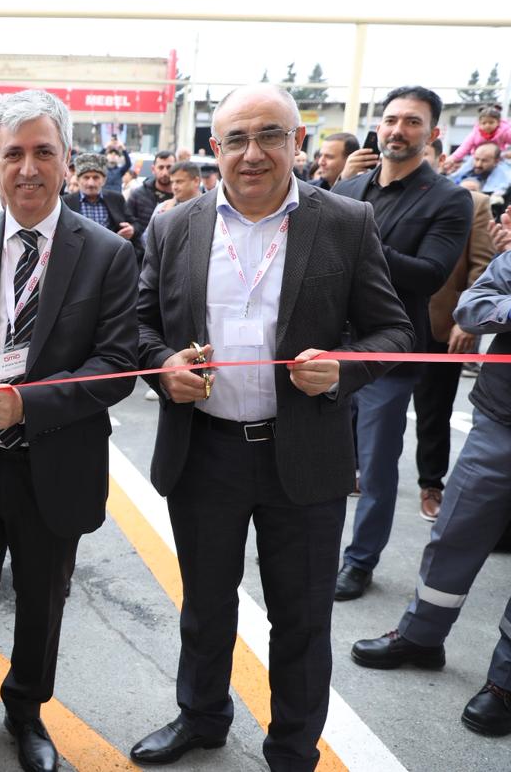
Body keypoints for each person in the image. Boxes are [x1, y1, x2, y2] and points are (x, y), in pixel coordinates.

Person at [129, 83, 413, 770]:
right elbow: (137, 326)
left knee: (302, 618)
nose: (252, 153)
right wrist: (163, 366)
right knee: (205, 607)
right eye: (236, 139)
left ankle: (292, 748)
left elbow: (394, 332)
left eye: (269, 136)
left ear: (298, 142)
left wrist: (343, 368)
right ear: (214, 148)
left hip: (304, 455)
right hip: (205, 452)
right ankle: (201, 717)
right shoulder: (175, 225)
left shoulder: (344, 221)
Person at [0, 89, 138, 772]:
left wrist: (28, 405)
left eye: (43, 152)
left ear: (67, 160)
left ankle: (26, 711)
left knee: (43, 603)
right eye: (12, 153)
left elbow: (117, 366)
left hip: (56, 460)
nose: (27, 168)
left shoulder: (106, 254)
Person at [349, 228, 511, 737]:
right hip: (500, 422)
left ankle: (505, 683)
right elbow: (472, 305)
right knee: (454, 533)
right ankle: (420, 637)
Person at [332, 85, 474, 600]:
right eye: (391, 120)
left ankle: (359, 561)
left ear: (433, 133)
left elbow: (430, 274)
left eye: (413, 122)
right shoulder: (348, 190)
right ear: (378, 127)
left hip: (388, 354)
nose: (398, 130)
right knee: (322, 459)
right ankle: (315, 548)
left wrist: (359, 238)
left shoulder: (448, 198)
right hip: (328, 347)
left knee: (375, 467)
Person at [411, 139, 496, 522]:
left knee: (434, 410)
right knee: (368, 406)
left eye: (424, 156)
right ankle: (360, 469)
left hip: (441, 325)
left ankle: (431, 484)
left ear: (440, 159)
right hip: (387, 322)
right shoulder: (379, 198)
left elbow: (482, 267)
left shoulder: (471, 203)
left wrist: (466, 319)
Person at [63, 153, 140, 256]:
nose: (91, 183)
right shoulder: (66, 202)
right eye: (86, 177)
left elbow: (135, 223)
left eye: (96, 177)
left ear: (104, 180)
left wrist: (132, 229)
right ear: (78, 180)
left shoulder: (116, 199)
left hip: (111, 257)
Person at [447, 104, 511, 167]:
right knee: (463, 170)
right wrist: (453, 158)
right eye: (484, 123)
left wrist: (507, 154)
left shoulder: (504, 132)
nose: (487, 125)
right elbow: (464, 148)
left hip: (497, 160)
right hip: (477, 159)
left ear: (498, 122)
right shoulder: (475, 134)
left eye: (491, 122)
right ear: (479, 123)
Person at [127, 150, 175, 233]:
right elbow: (128, 218)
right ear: (153, 169)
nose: (165, 173)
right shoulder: (139, 194)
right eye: (161, 167)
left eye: (169, 167)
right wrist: (134, 229)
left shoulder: (181, 196)